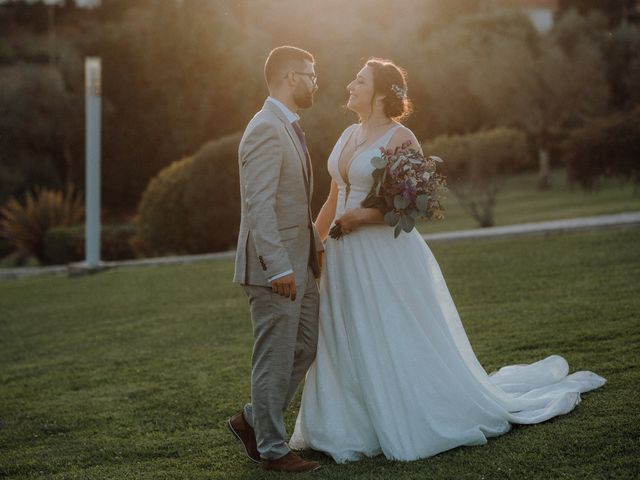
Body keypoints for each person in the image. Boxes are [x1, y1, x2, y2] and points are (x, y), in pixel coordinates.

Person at [289, 58, 606, 463]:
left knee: (388, 330)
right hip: (340, 254)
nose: (350, 84)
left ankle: (406, 411)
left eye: (360, 80)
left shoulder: (402, 138)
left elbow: (411, 207)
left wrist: (362, 217)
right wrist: (314, 241)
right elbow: (333, 198)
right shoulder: (349, 133)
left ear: (381, 92)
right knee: (344, 333)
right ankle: (347, 423)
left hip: (382, 254)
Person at [227, 45, 323, 473]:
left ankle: (252, 420)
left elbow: (294, 202)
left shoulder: (288, 126)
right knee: (275, 355)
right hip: (274, 271)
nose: (315, 82)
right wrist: (279, 267)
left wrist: (315, 239)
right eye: (311, 74)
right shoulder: (265, 128)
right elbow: (259, 205)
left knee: (305, 346)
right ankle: (272, 448)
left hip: (300, 263)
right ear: (290, 78)